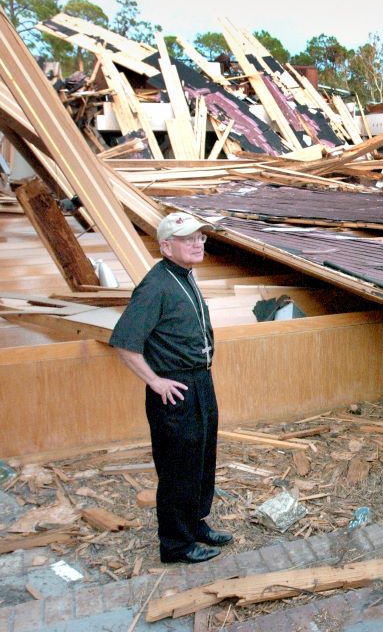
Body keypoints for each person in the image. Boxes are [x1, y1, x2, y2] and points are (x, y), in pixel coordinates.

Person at [109, 212, 232, 563]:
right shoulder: (156, 286)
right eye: (187, 239)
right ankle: (176, 544)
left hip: (199, 380)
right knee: (179, 467)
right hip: (175, 386)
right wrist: (155, 381)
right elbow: (124, 343)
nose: (197, 243)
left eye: (200, 238)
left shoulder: (184, 275)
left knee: (202, 457)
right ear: (166, 246)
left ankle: (194, 524)